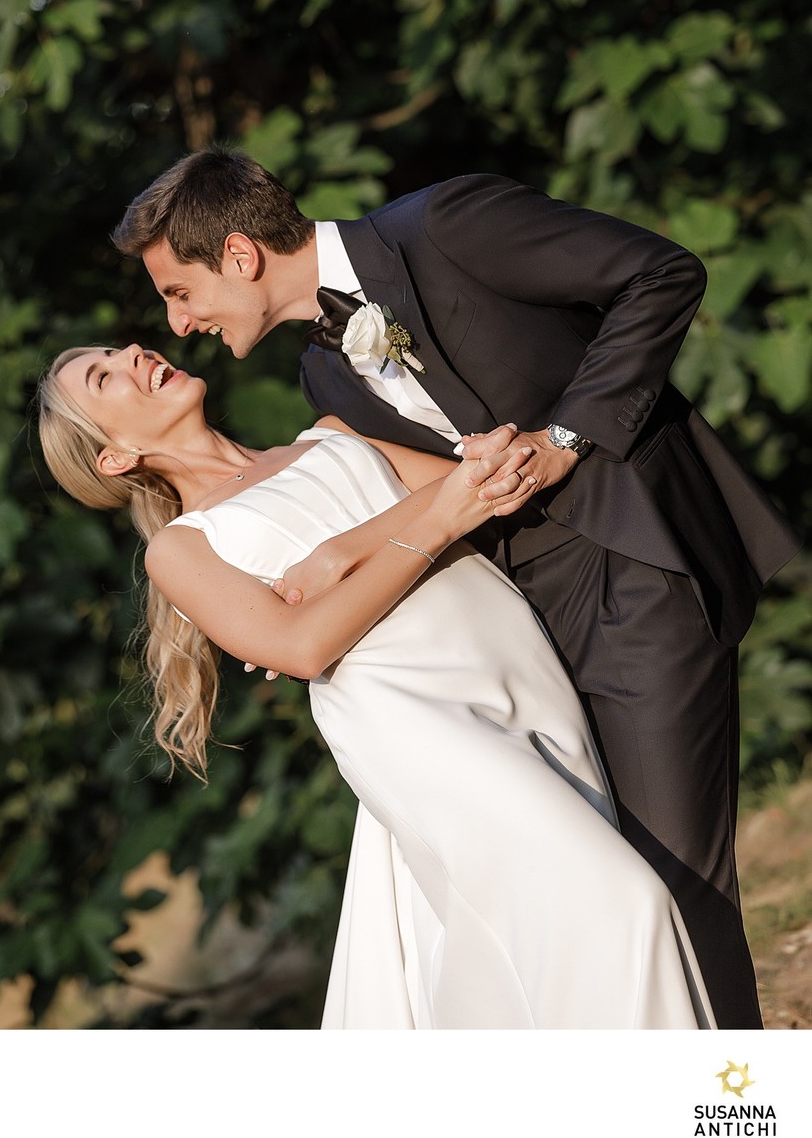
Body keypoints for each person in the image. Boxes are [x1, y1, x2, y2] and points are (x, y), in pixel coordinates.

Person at [112, 149, 802, 1029]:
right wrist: (319, 581)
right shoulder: (323, 376)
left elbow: (661, 273)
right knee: (573, 907)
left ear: (240, 256)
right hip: (514, 646)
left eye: (179, 291)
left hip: (633, 568)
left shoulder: (445, 225)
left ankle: (730, 1107)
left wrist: (565, 437)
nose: (177, 322)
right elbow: (439, 497)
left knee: (668, 884)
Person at [37, 342, 716, 1029]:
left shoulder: (330, 435)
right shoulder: (181, 547)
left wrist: (347, 554)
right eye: (103, 375)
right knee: (622, 900)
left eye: (117, 349)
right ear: (115, 458)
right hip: (410, 723)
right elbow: (303, 645)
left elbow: (479, 487)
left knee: (541, 930)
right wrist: (439, 517)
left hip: (516, 667)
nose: (133, 353)